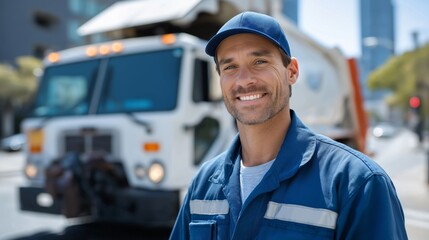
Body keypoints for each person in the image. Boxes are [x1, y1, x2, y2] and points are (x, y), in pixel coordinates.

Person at [170, 11, 407, 239]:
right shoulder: (203, 183)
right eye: (230, 67)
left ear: (291, 71)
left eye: (259, 61)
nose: (244, 80)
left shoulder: (357, 183)